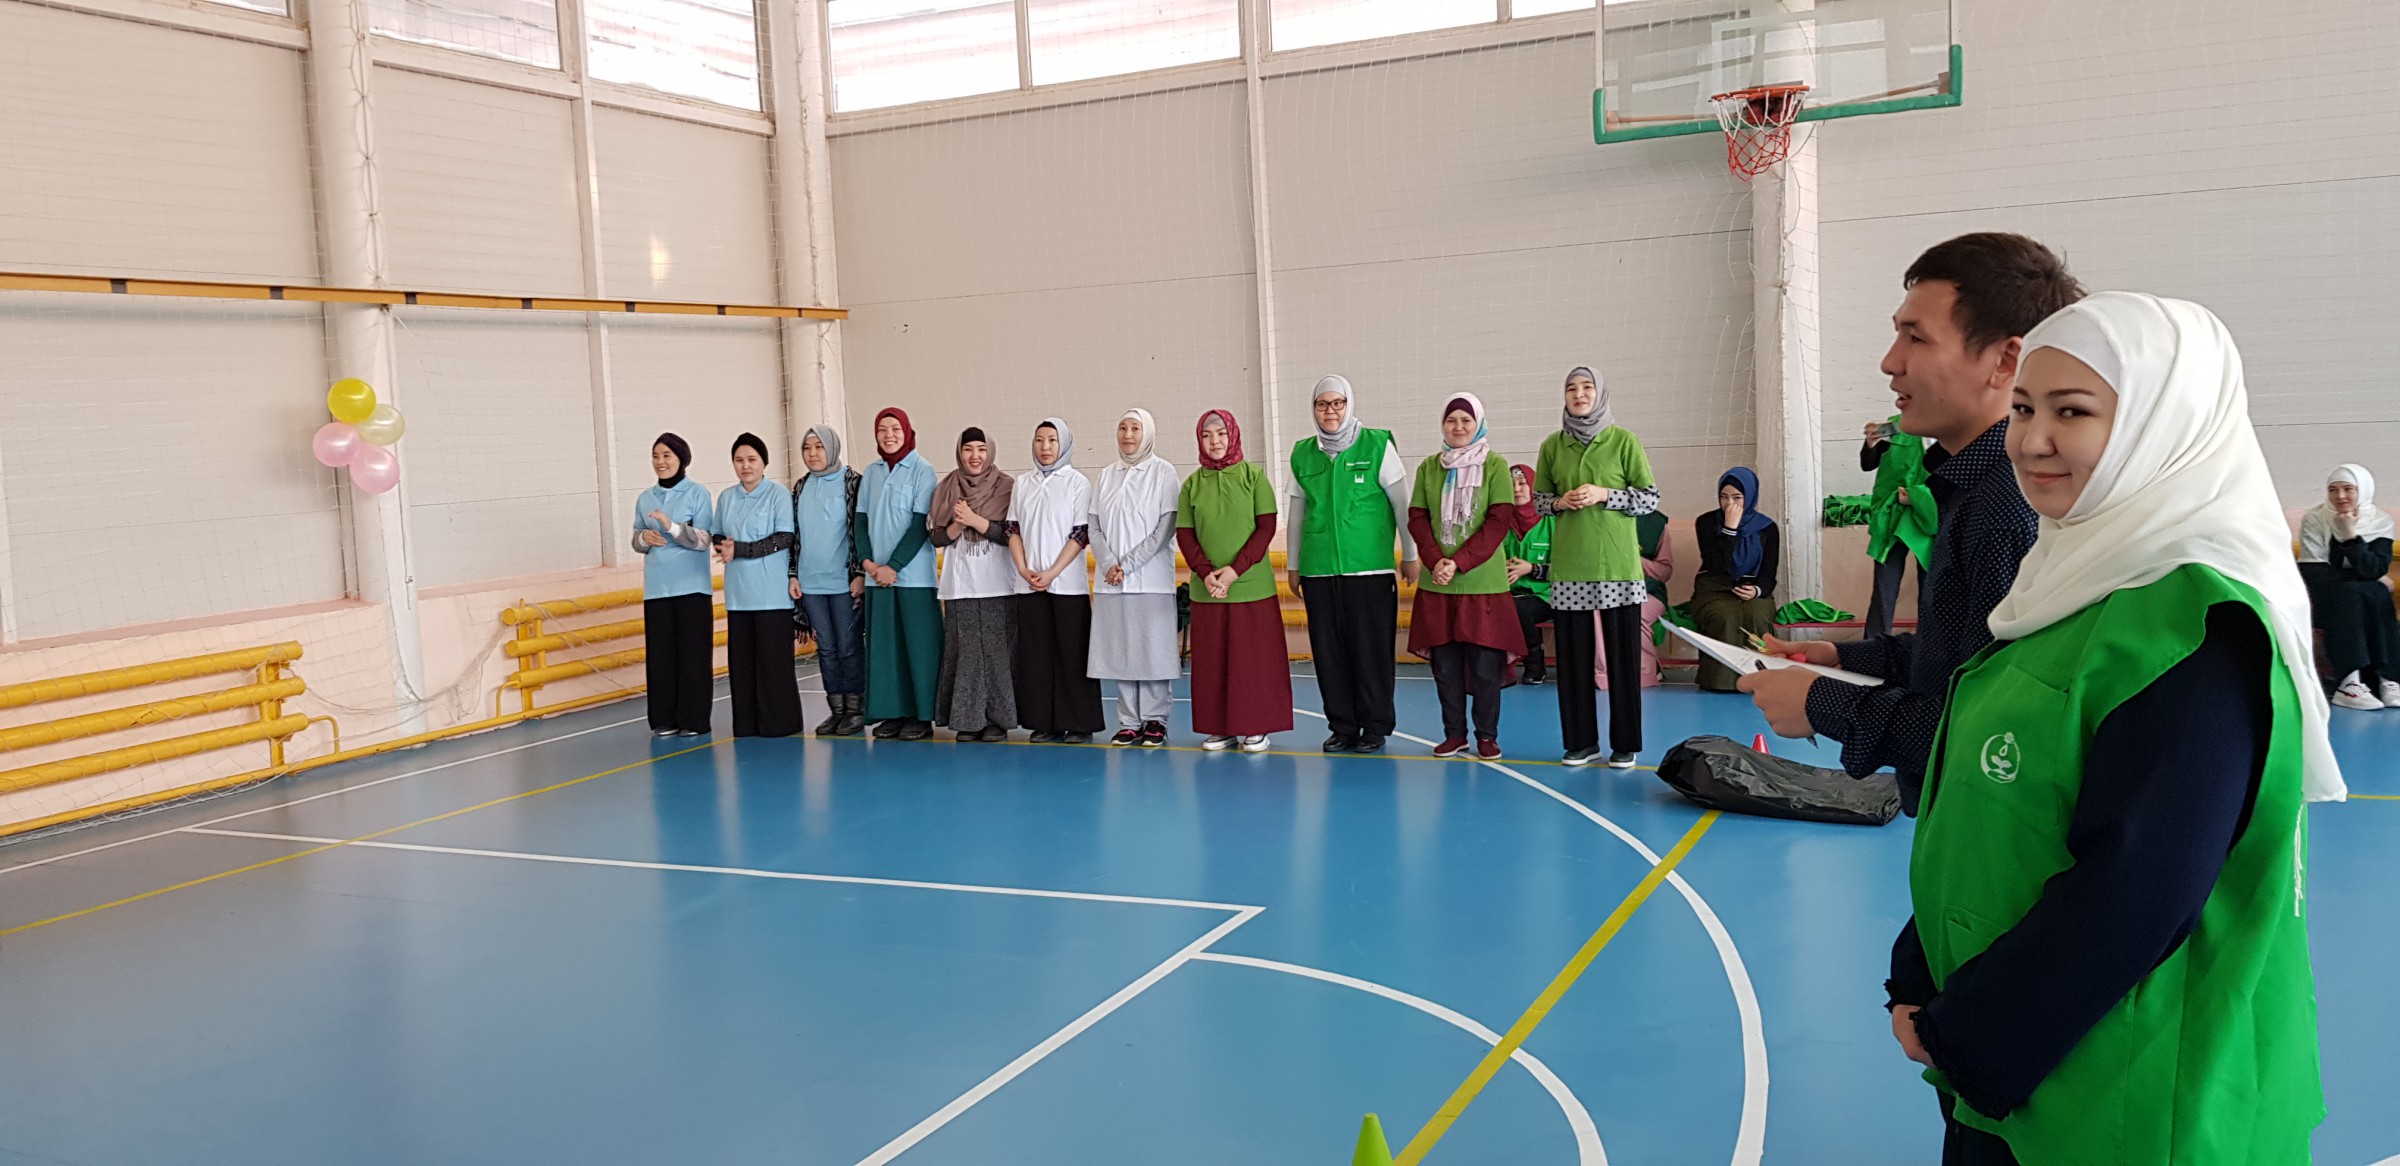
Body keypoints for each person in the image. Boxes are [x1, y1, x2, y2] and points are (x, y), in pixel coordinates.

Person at [1887, 291, 2338, 1165]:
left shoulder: (2199, 626)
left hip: (2125, 1093)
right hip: (2022, 1071)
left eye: (2073, 412)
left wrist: (1965, 1031)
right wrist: (1920, 969)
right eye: (2024, 409)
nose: (2032, 440)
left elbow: (2136, 891)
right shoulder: (2069, 581)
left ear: (2166, 425)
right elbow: (1987, 809)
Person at [1745, 233, 2084, 813]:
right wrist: (1842, 659)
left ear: (2005, 361)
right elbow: (1956, 658)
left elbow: (1988, 733)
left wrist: (1822, 703)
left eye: (1916, 337)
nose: (1890, 361)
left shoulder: (2007, 508)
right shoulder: (1969, 487)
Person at [1532, 366, 1658, 768]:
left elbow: (1649, 498)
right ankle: (1581, 742)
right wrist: (1560, 502)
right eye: (1571, 388)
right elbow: (1538, 501)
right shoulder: (1552, 446)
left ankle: (1625, 744)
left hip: (1618, 567)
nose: (1579, 394)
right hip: (1570, 567)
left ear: (1599, 394)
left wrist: (1606, 494)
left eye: (1587, 387)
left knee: (1623, 660)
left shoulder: (1624, 441)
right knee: (1572, 662)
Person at [1287, 375, 1418, 753]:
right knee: (1329, 655)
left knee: (1371, 653)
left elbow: (1402, 506)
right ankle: (1342, 726)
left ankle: (1375, 726)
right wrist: (1294, 565)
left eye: (1337, 403)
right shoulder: (1302, 453)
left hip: (1370, 571)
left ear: (1348, 405)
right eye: (1322, 404)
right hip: (1319, 571)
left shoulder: (1377, 445)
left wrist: (1410, 554)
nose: (1330, 411)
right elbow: (1296, 514)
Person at [1406, 394, 1524, 759]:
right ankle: (1454, 734)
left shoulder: (1495, 465)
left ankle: (1486, 736)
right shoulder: (1429, 467)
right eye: (1451, 420)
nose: (1458, 427)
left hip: (1482, 585)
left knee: (1485, 667)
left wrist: (1457, 562)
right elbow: (1418, 518)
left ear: (1479, 424)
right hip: (1438, 585)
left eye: (1466, 420)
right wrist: (1435, 560)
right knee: (1446, 668)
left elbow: (1497, 522)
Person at [1179, 409, 1290, 752]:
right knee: (1213, 662)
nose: (1214, 441)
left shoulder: (1254, 477)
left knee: (1253, 662)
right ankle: (1220, 728)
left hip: (1251, 589)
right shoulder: (1191, 484)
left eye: (1221, 434)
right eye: (1206, 435)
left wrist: (1234, 571)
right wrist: (1205, 573)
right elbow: (1185, 534)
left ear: (1233, 435)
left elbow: (1266, 528)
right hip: (1207, 590)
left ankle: (1256, 726)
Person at [1089, 409, 1184, 747]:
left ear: (1148, 434)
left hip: (1150, 580)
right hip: (1111, 582)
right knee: (1122, 651)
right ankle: (1129, 721)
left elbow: (1165, 527)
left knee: (1152, 651)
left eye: (1135, 428)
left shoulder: (1164, 472)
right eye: (1122, 428)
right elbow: (1094, 525)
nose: (1128, 435)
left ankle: (1155, 719)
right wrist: (1108, 563)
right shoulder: (1106, 475)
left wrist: (1126, 565)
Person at [1009, 418, 1103, 744]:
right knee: (1035, 656)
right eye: (1039, 440)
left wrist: (1051, 573)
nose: (1045, 447)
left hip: (1067, 586)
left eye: (1052, 440)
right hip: (1029, 585)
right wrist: (1024, 570)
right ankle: (1043, 722)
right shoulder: (1023, 483)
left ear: (1063, 444)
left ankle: (1079, 724)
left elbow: (1080, 534)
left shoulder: (1077, 483)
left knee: (1072, 655)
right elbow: (1012, 529)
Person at [858, 407, 942, 741]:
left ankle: (921, 717)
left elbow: (920, 525)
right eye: (882, 429)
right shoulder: (871, 472)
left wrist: (893, 566)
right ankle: (892, 713)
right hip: (876, 579)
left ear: (907, 431)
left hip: (913, 578)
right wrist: (869, 564)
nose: (889, 435)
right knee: (886, 650)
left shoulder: (923, 471)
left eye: (895, 428)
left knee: (919, 649)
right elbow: (860, 522)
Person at [929, 427, 1018, 742]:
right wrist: (958, 523)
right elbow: (936, 537)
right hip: (961, 584)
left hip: (998, 585)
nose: (975, 456)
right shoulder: (946, 488)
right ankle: (968, 720)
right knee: (964, 653)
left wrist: (975, 521)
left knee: (997, 655)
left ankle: (998, 720)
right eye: (968, 449)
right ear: (959, 452)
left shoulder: (1007, 487)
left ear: (990, 451)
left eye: (981, 449)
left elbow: (1011, 534)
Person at [712, 433, 800, 738]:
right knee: (742, 666)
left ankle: (780, 724)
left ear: (764, 462)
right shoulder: (726, 497)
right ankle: (746, 725)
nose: (745, 466)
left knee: (774, 666)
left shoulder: (778, 494)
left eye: (752, 459)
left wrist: (741, 549)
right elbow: (717, 533)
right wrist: (722, 545)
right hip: (738, 595)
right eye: (739, 460)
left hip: (771, 593)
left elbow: (784, 537)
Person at [633, 433, 715, 737]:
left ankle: (694, 719)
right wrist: (644, 538)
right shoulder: (645, 498)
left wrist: (672, 527)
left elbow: (703, 540)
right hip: (657, 588)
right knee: (661, 656)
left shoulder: (698, 493)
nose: (660, 462)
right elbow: (636, 539)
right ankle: (663, 719)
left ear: (681, 458)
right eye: (656, 456)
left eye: (667, 455)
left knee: (693, 656)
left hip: (692, 587)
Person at [2299, 464, 2400, 710]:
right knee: (2364, 591)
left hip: (2361, 597)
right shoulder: (2315, 519)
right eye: (2333, 490)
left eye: (2348, 489)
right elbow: (2314, 573)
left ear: (2362, 490)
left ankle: (2388, 679)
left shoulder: (2380, 521)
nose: (2340, 496)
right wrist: (2366, 577)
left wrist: (2350, 537)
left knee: (2372, 591)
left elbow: (2374, 568)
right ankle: (2349, 682)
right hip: (2325, 598)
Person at [790, 425, 866, 736]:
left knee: (848, 647)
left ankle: (855, 710)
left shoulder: (853, 482)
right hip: (811, 585)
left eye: (819, 447)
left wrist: (860, 573)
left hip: (844, 583)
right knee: (826, 650)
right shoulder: (800, 487)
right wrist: (793, 574)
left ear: (832, 448)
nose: (812, 454)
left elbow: (861, 530)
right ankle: (836, 710)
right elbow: (794, 536)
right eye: (807, 448)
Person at [1689, 468, 1781, 693]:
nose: (1730, 504)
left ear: (1750, 497)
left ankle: (1760, 679)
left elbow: (1769, 574)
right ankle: (1720, 682)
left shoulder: (1767, 528)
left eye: (1737, 498)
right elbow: (1716, 565)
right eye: (1724, 497)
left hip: (1753, 589)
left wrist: (1757, 590)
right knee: (1724, 615)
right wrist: (1729, 529)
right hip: (1714, 588)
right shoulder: (1707, 522)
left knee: (1757, 614)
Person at [1861, 414, 1937, 639]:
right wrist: (1870, 443)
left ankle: (1929, 643)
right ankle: (1874, 645)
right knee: (1884, 587)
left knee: (1930, 588)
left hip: (1929, 515)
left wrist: (1917, 497)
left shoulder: (1947, 428)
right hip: (1892, 513)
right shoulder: (1895, 427)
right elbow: (1868, 464)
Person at [1595, 509, 1673, 690]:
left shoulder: (1656, 523)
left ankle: (1644, 672)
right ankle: (1605, 674)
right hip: (1604, 591)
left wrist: (1634, 559)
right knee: (1598, 610)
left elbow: (1665, 572)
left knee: (1634, 612)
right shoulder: (1597, 515)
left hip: (1648, 593)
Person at [1502, 464, 1556, 685]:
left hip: (1547, 595)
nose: (1516, 489)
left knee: (1518, 609)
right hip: (1509, 591)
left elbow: (1568, 567)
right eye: (1511, 484)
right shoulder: (1501, 522)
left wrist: (1531, 569)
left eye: (1522, 483)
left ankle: (1535, 665)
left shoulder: (1552, 521)